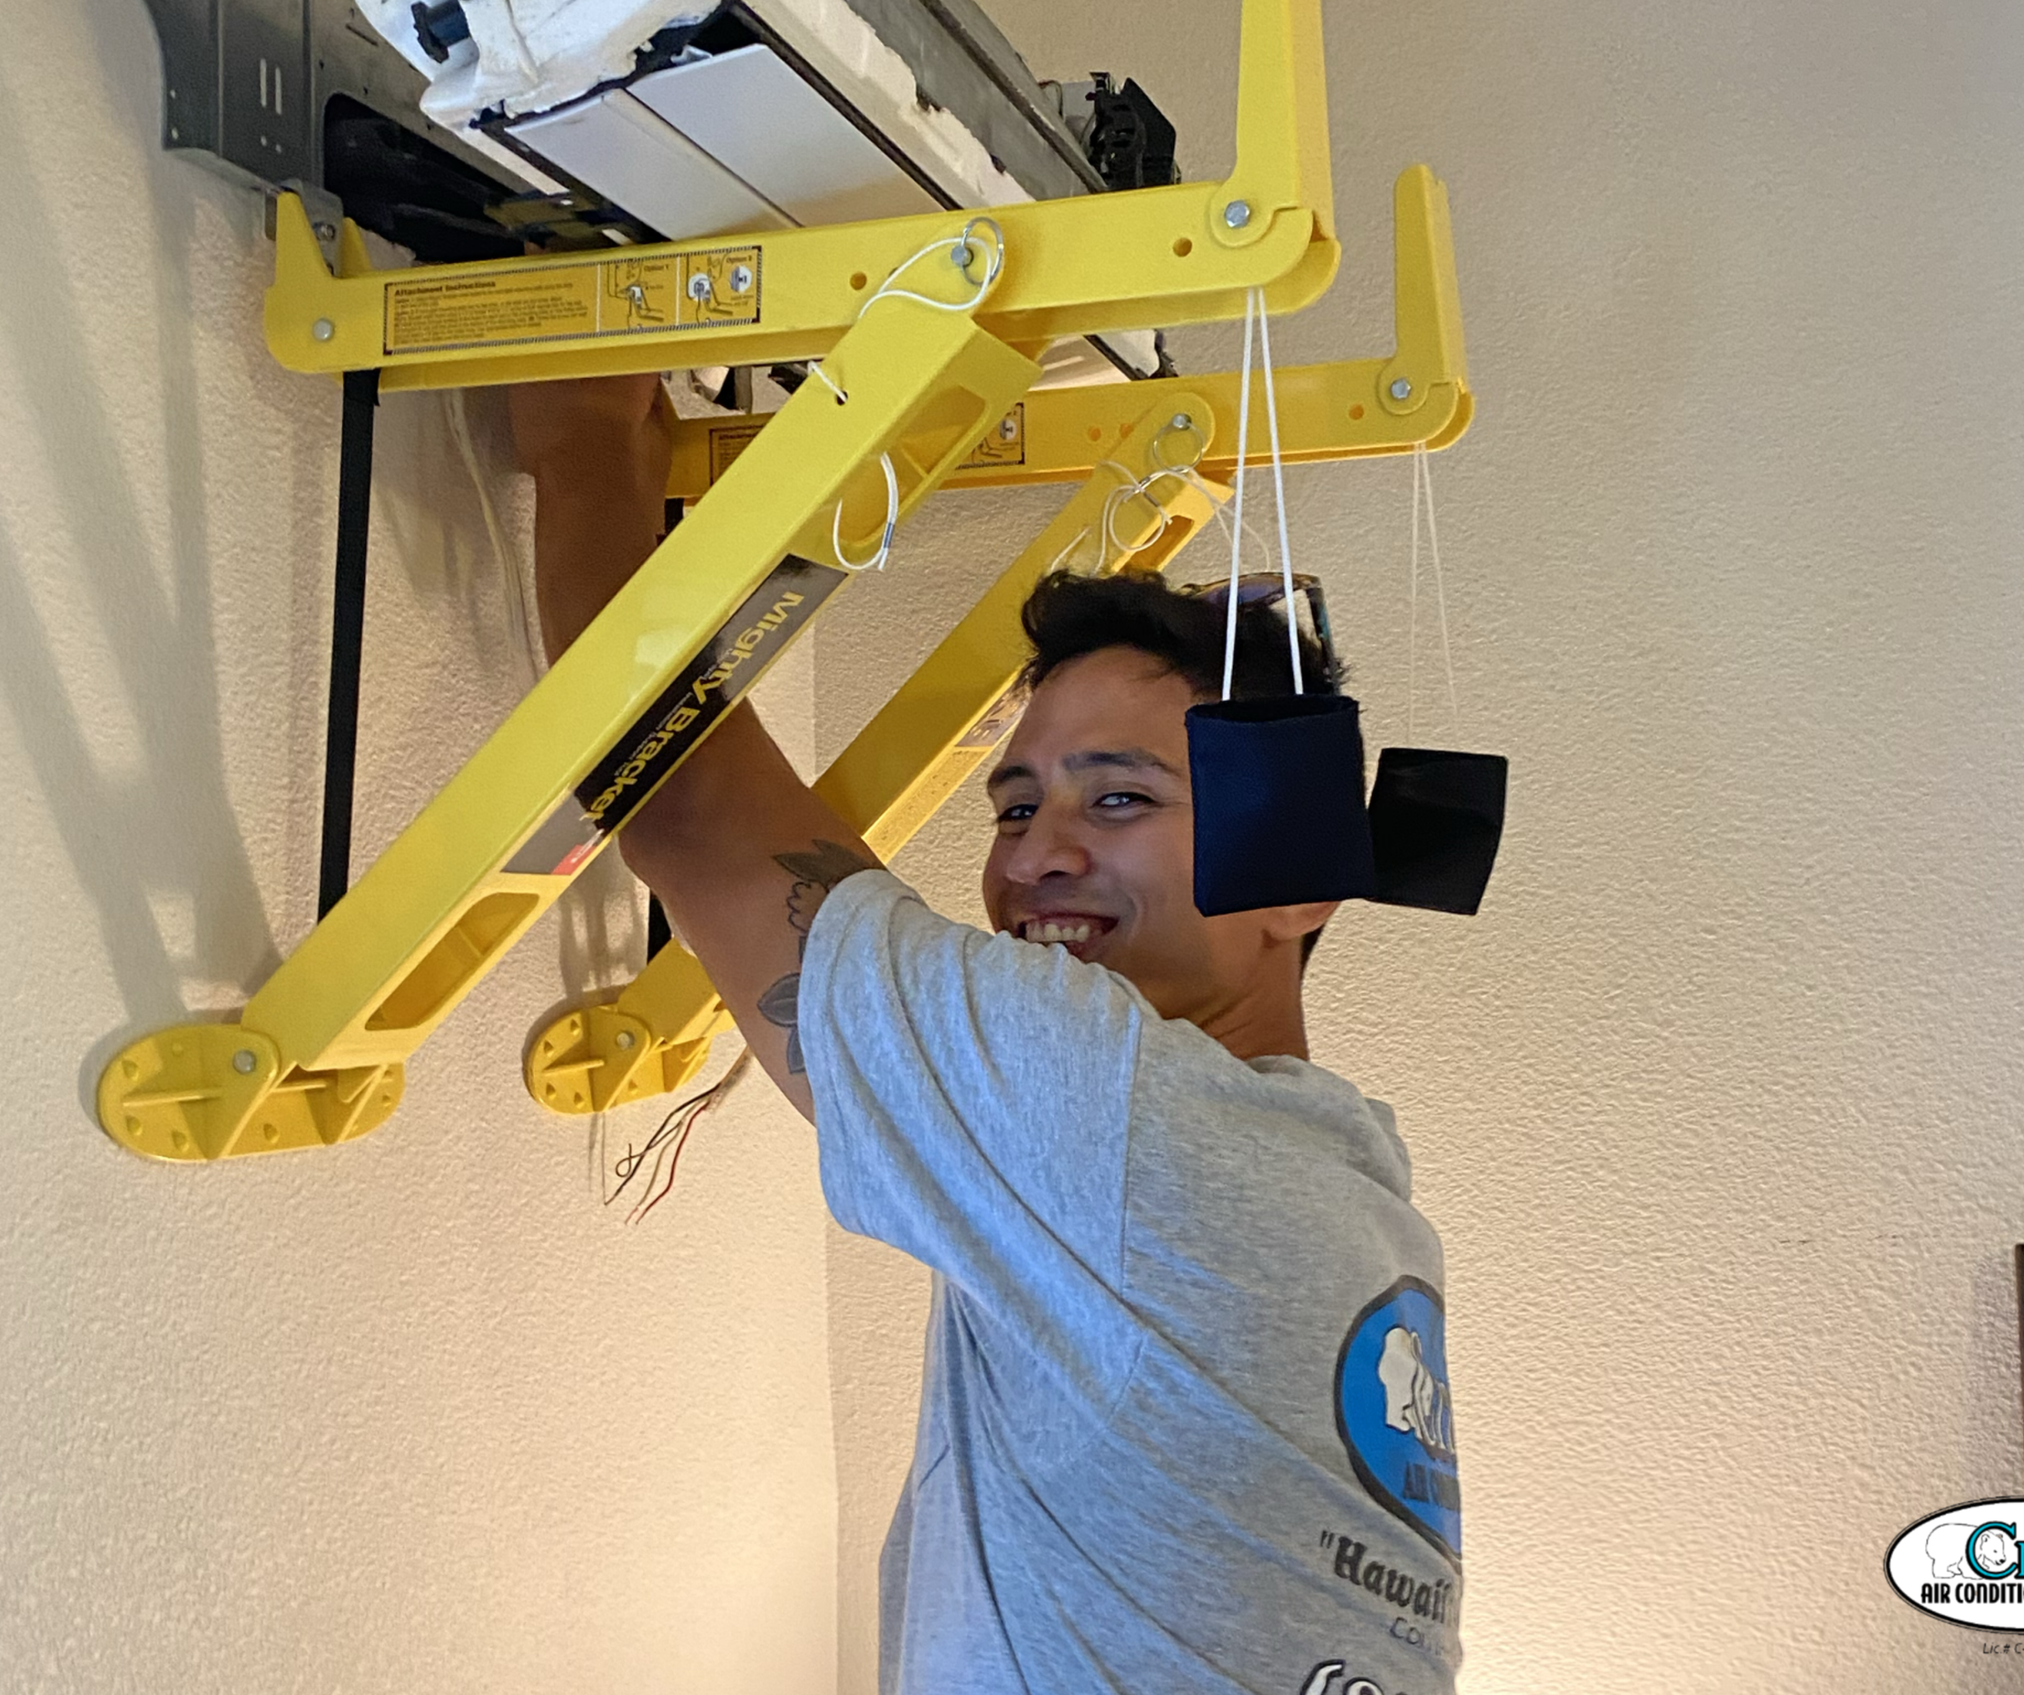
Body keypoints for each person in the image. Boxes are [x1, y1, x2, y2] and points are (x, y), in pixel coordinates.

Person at [508, 375, 1462, 1695]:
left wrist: (579, 436)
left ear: (1297, 887)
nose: (1037, 859)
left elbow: (687, 814)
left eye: (1118, 797)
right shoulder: (1356, 1180)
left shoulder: (1117, 1108)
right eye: (1013, 809)